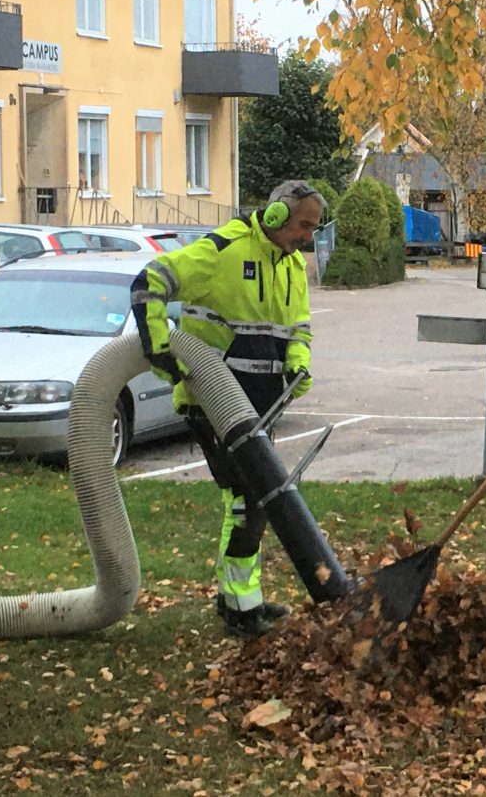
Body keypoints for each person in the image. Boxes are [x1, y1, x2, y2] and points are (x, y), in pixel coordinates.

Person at [131, 180, 325, 637]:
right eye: (303, 225)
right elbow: (151, 281)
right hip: (213, 402)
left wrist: (298, 361)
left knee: (255, 501)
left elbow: (298, 326)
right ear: (277, 215)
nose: (307, 237)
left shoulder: (293, 265)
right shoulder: (223, 250)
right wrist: (159, 346)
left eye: (314, 228)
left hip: (261, 405)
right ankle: (241, 611)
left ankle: (239, 596)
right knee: (249, 503)